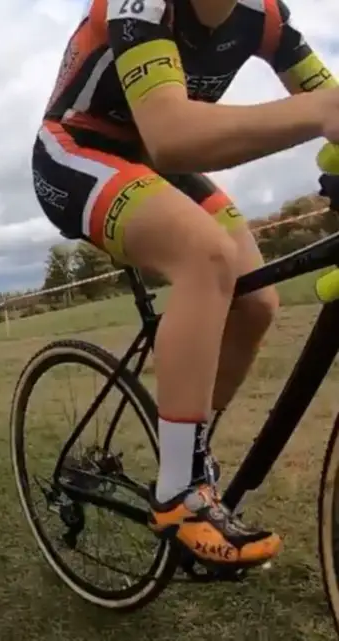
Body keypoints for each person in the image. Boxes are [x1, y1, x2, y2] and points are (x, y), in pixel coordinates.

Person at [31, 0, 339, 567]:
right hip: (76, 150)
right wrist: (320, 111)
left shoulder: (265, 16)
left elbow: (330, 95)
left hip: (149, 163)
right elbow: (171, 133)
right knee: (208, 257)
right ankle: (179, 496)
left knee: (258, 301)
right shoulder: (142, 5)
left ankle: (192, 458)